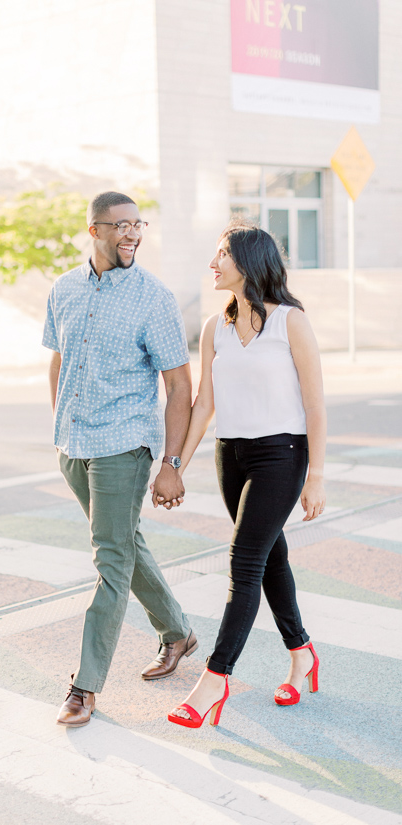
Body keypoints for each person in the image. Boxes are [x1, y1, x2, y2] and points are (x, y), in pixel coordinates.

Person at [43, 191, 198, 728]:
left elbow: (179, 383)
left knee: (110, 560)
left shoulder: (154, 297)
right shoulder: (62, 289)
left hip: (123, 444)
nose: (132, 234)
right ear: (95, 230)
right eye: (120, 226)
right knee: (124, 542)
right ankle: (178, 633)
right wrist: (62, 424)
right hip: (73, 446)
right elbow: (59, 359)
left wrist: (171, 463)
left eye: (138, 225)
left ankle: (84, 688)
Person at [165, 220, 326, 729]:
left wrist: (316, 475)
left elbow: (315, 405)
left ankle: (215, 680)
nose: (212, 264)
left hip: (282, 455)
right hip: (231, 455)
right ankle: (302, 654)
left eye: (221, 255)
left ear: (249, 262)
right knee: (269, 556)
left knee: (244, 561)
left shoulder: (290, 322)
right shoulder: (215, 327)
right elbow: (204, 403)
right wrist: (176, 467)